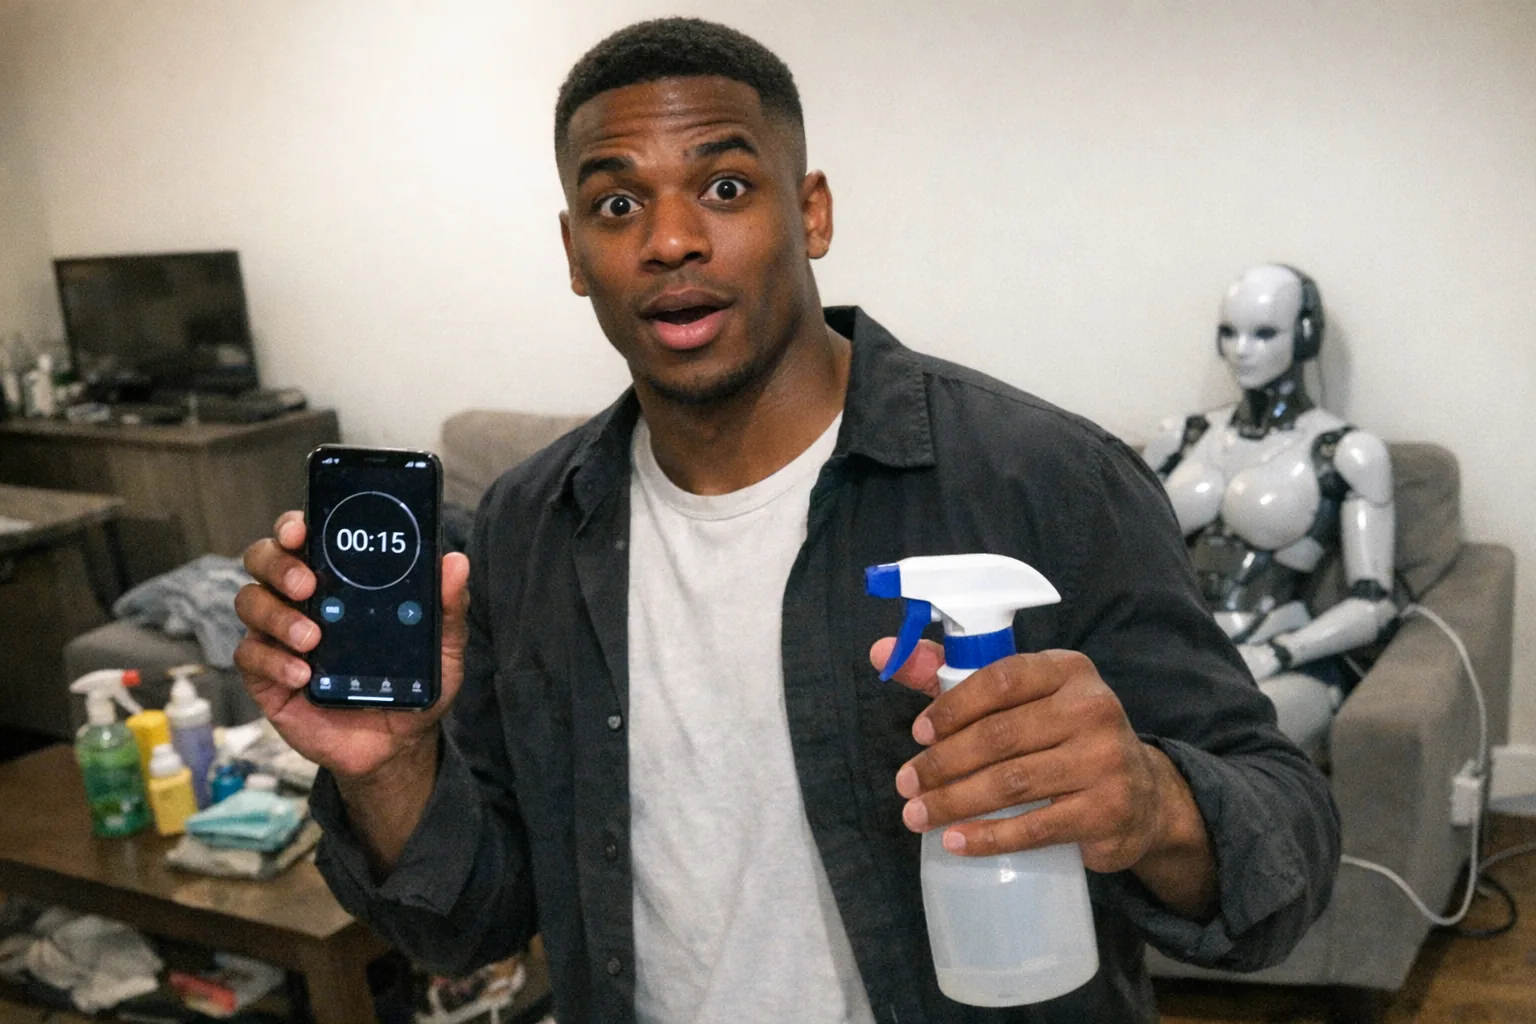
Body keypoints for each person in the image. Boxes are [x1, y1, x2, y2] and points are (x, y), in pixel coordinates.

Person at [234, 18, 1340, 1024]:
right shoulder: (529, 528)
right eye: (618, 204)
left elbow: (1288, 845)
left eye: (723, 187)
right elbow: (467, 924)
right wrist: (387, 768)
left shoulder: (1045, 479)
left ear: (810, 212)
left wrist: (1152, 802)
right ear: (575, 253)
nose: (669, 241)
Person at [1141, 264, 1399, 756]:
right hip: (1177, 650)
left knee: (1220, 746)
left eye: (1263, 333)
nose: (1242, 349)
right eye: (1230, 332)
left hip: (1279, 655)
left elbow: (1375, 603)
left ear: (1304, 336)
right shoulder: (1180, 437)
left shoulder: (1346, 451)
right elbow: (1122, 548)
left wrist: (1279, 652)